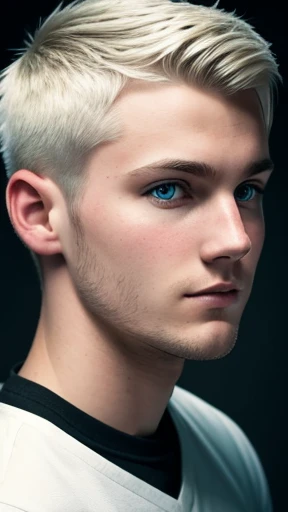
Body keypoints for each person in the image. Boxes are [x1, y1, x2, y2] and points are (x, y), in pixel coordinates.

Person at [0, 0, 281, 510]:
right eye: (170, 190)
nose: (235, 239)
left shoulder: (225, 450)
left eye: (246, 191)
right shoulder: (16, 493)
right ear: (40, 214)